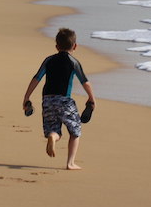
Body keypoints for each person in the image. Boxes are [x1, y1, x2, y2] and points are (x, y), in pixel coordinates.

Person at [22, 27, 96, 170]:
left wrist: (27, 97)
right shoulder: (74, 62)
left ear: (56, 46)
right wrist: (91, 98)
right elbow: (85, 82)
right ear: (75, 46)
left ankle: (53, 137)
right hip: (65, 101)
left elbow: (36, 78)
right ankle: (70, 163)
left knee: (54, 129)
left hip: (47, 100)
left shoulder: (48, 60)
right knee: (75, 131)